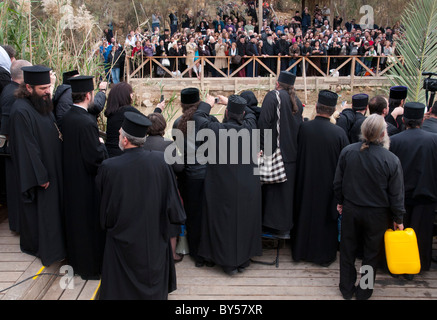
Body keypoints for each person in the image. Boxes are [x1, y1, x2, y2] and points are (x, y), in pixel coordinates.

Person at [97, 111, 186, 300]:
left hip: (122, 240)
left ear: (126, 141)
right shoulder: (160, 162)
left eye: (120, 134)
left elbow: (105, 209)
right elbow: (174, 207)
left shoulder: (109, 167)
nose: (119, 136)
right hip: (153, 239)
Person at [333, 114, 405, 300]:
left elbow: (338, 183)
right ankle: (364, 291)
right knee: (371, 254)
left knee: (347, 250)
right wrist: (398, 219)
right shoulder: (391, 160)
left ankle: (346, 288)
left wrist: (340, 201)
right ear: (382, 135)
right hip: (377, 215)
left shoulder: (348, 152)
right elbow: (396, 194)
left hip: (351, 209)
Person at [193, 94, 262, 275]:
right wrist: (231, 103)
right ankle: (243, 260)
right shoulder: (250, 127)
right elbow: (251, 114)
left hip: (222, 187)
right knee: (244, 222)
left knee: (223, 223)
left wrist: (207, 104)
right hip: (248, 186)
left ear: (227, 113)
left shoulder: (216, 130)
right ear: (243, 113)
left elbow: (198, 119)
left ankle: (227, 262)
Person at [9, 65, 66, 266]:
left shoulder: (41, 103)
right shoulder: (20, 111)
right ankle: (43, 248)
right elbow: (27, 148)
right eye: (43, 88)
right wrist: (40, 176)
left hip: (53, 167)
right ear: (29, 87)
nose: (48, 92)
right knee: (42, 214)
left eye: (49, 87)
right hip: (42, 175)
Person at [292, 90, 349, 267]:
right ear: (333, 111)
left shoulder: (304, 128)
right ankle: (322, 256)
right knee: (324, 220)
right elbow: (345, 164)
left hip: (304, 181)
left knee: (303, 215)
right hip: (328, 186)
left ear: (316, 107)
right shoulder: (339, 134)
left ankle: (300, 251)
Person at [60, 75, 108, 280]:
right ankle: (91, 269)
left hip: (70, 179)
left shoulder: (66, 118)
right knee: (89, 226)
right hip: (86, 183)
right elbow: (94, 158)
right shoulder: (86, 122)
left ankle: (76, 263)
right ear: (88, 95)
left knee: (75, 224)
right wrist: (102, 146)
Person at [172, 87, 218, 268]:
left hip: (189, 176)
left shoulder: (176, 123)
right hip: (209, 174)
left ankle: (198, 255)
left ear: (182, 104)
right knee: (210, 215)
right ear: (199, 102)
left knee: (193, 216)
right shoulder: (208, 120)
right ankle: (210, 253)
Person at [389, 102, 437, 274]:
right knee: (422, 235)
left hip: (400, 197)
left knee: (398, 233)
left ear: (404, 120)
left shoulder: (394, 141)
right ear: (421, 121)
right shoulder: (434, 140)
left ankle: (397, 265)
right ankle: (420, 266)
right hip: (426, 195)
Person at [258, 71, 304, 239]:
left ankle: (270, 232)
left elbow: (263, 124)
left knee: (272, 198)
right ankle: (284, 231)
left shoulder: (273, 96)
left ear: (277, 84)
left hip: (275, 155)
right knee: (285, 199)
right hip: (292, 155)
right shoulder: (296, 101)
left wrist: (264, 150)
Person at [143, 107, 184, 263]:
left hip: (145, 188)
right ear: (163, 126)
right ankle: (172, 254)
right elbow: (179, 168)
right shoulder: (169, 145)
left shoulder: (141, 144)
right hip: (165, 188)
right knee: (170, 220)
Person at [0, 59, 32, 232]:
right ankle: (18, 225)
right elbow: (6, 128)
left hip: (13, 149)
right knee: (15, 189)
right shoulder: (11, 95)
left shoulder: (10, 90)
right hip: (12, 151)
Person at [104, 82, 143, 157]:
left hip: (109, 152)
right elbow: (148, 122)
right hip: (121, 153)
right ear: (125, 96)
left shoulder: (111, 112)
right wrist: (158, 109)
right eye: (130, 93)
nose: (132, 95)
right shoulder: (127, 110)